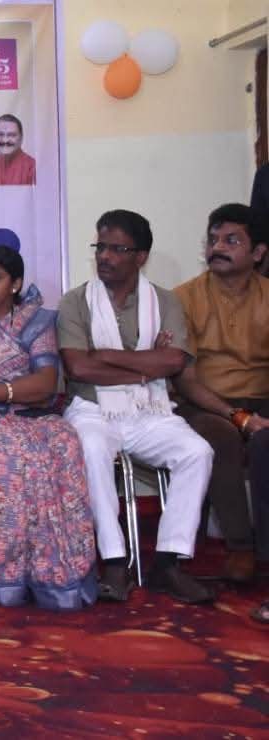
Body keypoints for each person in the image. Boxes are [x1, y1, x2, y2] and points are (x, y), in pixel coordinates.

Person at [57, 209, 216, 604]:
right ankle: (114, 560)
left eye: (117, 249)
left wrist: (106, 355)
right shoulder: (76, 301)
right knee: (90, 448)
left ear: (141, 256)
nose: (104, 256)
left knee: (197, 452)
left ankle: (168, 562)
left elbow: (173, 362)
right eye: (100, 247)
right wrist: (147, 365)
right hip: (92, 408)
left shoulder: (165, 301)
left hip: (151, 409)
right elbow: (79, 367)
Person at [0, 246, 97, 609]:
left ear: (15, 284)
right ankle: (6, 576)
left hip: (30, 414)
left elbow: (46, 384)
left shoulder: (37, 323)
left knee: (64, 440)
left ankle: (61, 574)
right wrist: (8, 390)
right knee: (6, 453)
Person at [171, 203, 269, 591]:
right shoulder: (184, 298)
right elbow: (185, 379)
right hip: (203, 402)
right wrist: (237, 415)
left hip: (263, 398)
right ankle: (240, 547)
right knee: (223, 437)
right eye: (213, 240)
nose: (218, 248)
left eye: (231, 240)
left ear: (258, 253)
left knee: (266, 442)